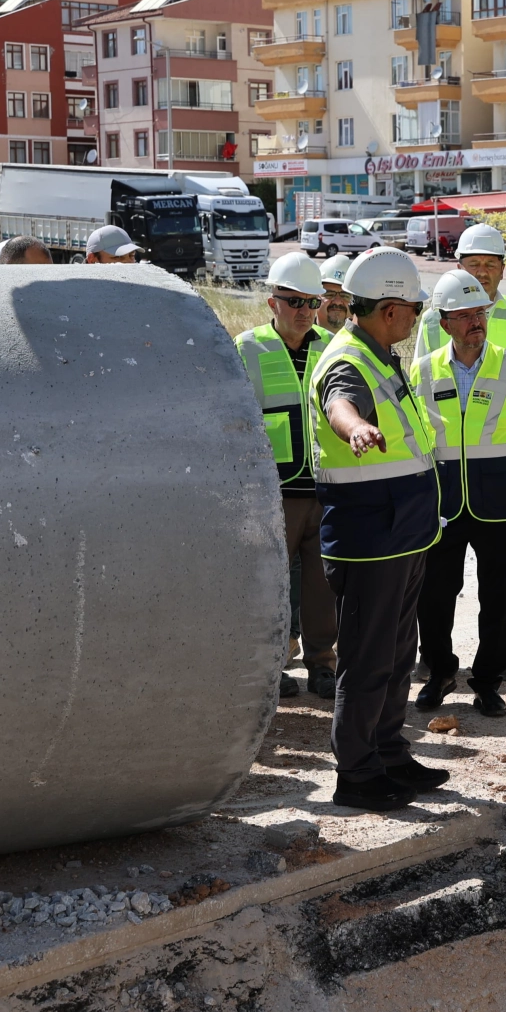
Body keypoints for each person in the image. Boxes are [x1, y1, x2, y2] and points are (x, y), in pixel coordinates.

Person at [307, 246, 447, 810]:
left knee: (395, 650)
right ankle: (357, 774)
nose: (417, 317)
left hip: (402, 533)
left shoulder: (382, 352)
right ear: (389, 309)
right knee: (367, 660)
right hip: (371, 540)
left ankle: (388, 751)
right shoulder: (348, 360)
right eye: (412, 307)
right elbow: (340, 404)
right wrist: (356, 428)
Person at [416, 222, 506, 682]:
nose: (482, 273)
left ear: (502, 269)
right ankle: (435, 663)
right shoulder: (433, 316)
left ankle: (498, 659)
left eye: (490, 265)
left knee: (497, 577)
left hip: (500, 467)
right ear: (460, 266)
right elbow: (419, 383)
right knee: (437, 581)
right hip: (442, 474)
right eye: (473, 265)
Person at [235, 252, 338, 700]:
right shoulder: (246, 348)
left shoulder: (330, 348)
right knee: (271, 588)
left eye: (311, 302)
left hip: (324, 487)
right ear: (271, 302)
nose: (303, 311)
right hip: (271, 493)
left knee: (321, 587)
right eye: (293, 301)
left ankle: (322, 664)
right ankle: (271, 667)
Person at [318, 254, 353, 332]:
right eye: (329, 294)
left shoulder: (365, 342)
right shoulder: (299, 338)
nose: (337, 302)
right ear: (316, 297)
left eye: (345, 295)